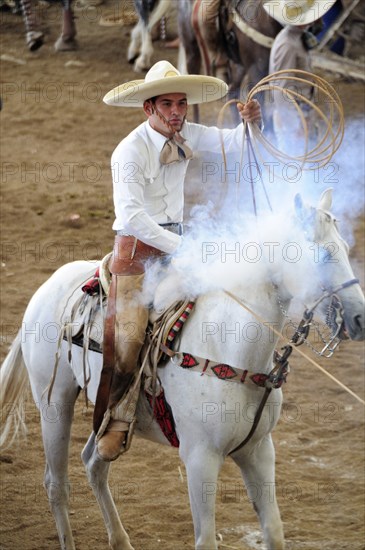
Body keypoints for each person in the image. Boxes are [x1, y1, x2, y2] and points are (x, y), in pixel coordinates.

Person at [94, 60, 262, 461]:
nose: (176, 112)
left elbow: (236, 143)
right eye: (167, 104)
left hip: (179, 244)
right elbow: (132, 216)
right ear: (148, 108)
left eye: (181, 104)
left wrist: (253, 123)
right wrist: (181, 246)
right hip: (137, 255)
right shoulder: (128, 151)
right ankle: (117, 418)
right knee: (131, 336)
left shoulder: (186, 133)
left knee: (228, 297)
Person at [263, 0, 336, 151]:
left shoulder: (297, 38)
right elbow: (280, 88)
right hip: (293, 118)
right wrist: (294, 126)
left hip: (302, 113)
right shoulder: (287, 44)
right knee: (296, 164)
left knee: (307, 161)